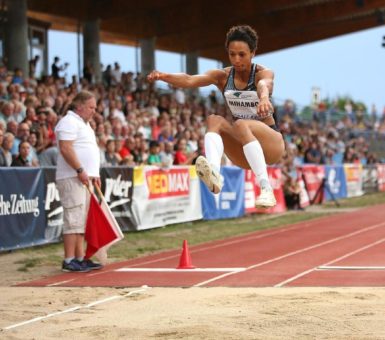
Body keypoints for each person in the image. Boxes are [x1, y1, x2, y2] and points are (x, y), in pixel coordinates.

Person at [148, 25, 285, 208]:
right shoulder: (222, 76)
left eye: (242, 54)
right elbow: (189, 79)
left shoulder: (262, 73)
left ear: (253, 52)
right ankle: (214, 173)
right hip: (244, 150)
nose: (236, 60)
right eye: (232, 54)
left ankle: (266, 189)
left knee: (241, 124)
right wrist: (164, 76)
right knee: (214, 120)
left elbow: (264, 84)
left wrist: (264, 98)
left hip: (271, 143)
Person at [55, 90, 102, 272]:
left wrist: (94, 173)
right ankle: (69, 259)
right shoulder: (68, 122)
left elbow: (89, 150)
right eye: (91, 107)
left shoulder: (85, 124)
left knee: (81, 220)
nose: (94, 111)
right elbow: (66, 148)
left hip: (85, 177)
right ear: (79, 106)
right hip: (72, 177)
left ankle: (80, 257)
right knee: (73, 218)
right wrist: (80, 169)